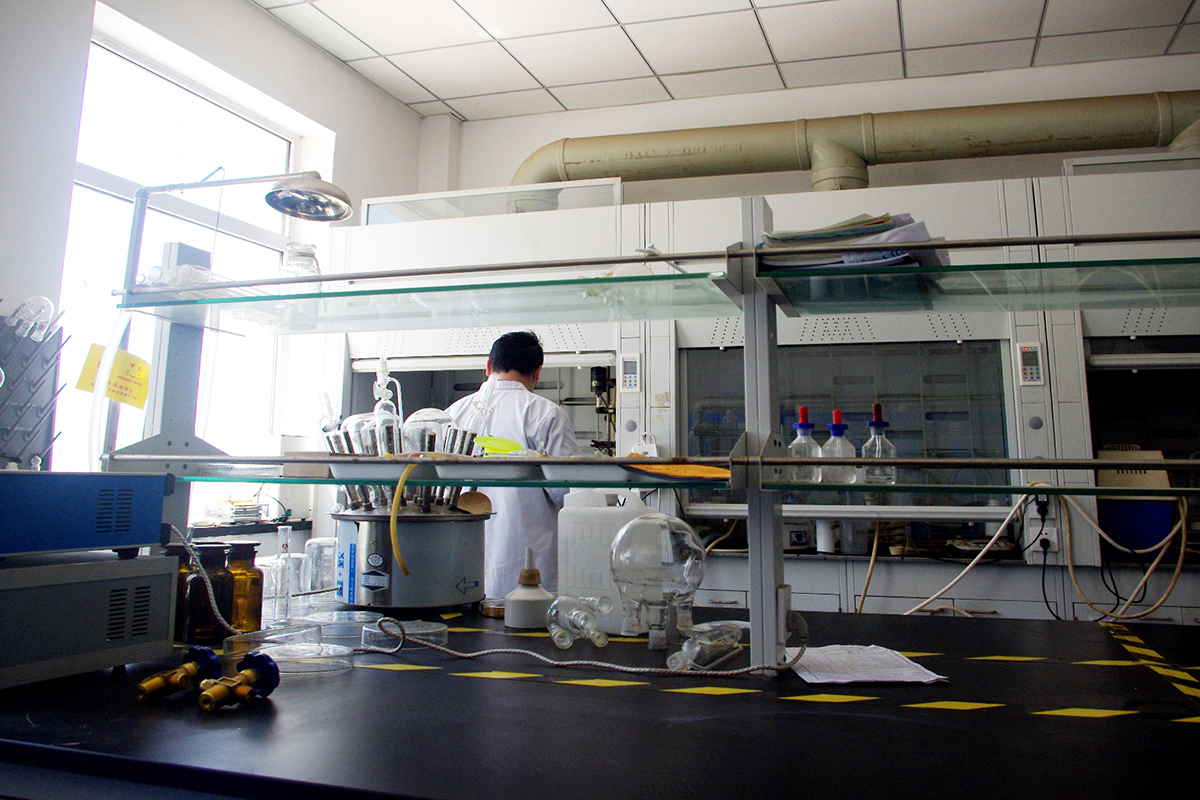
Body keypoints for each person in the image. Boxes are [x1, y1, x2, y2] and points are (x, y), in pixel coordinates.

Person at [445, 331, 582, 598]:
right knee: (528, 621)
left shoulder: (453, 413)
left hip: (461, 564)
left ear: (488, 366)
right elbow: (568, 493)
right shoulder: (546, 413)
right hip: (527, 564)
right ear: (537, 372)